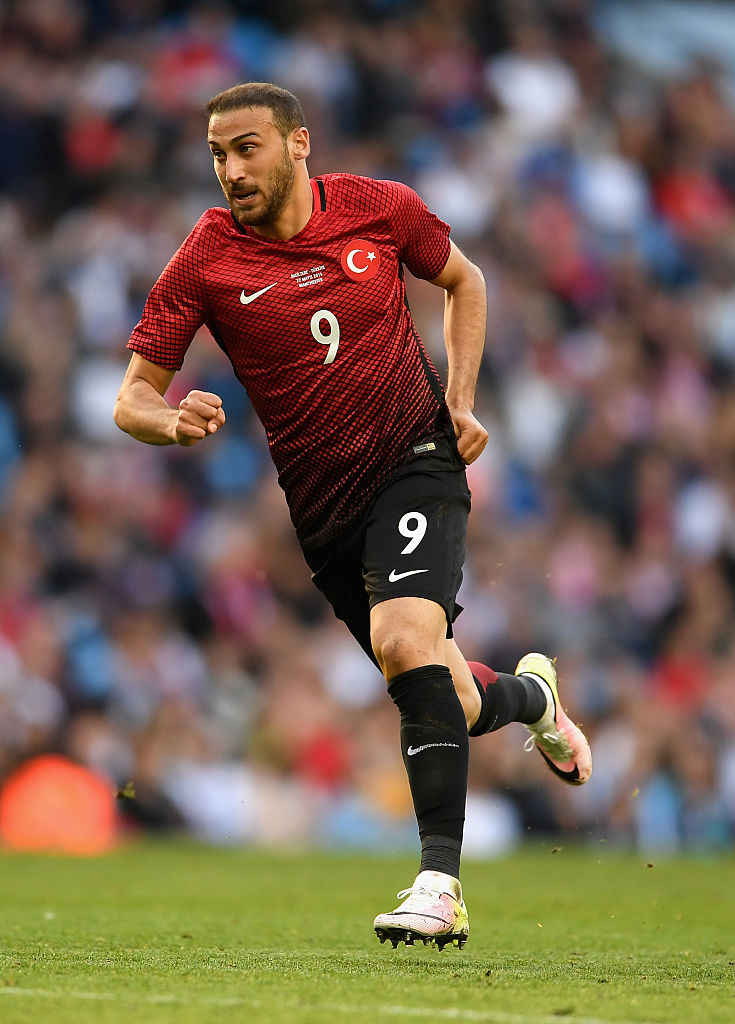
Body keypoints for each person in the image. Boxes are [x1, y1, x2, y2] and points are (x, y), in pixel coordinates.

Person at [113, 81, 591, 951]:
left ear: (299, 143)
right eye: (217, 155)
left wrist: (460, 398)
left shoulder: (379, 208)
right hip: (324, 514)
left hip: (416, 461)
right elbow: (131, 398)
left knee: (405, 642)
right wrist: (169, 421)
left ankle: (439, 886)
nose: (230, 171)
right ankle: (534, 698)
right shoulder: (207, 256)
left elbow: (465, 280)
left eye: (247, 148)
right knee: (444, 690)